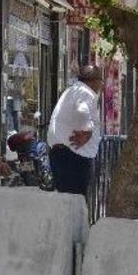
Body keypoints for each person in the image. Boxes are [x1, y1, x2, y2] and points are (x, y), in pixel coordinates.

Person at [47, 65, 103, 195]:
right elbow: (82, 111)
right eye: (101, 81)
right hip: (74, 155)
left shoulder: (71, 91)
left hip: (59, 152)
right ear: (94, 81)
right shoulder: (87, 93)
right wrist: (88, 132)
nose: (101, 85)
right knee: (76, 199)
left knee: (65, 198)